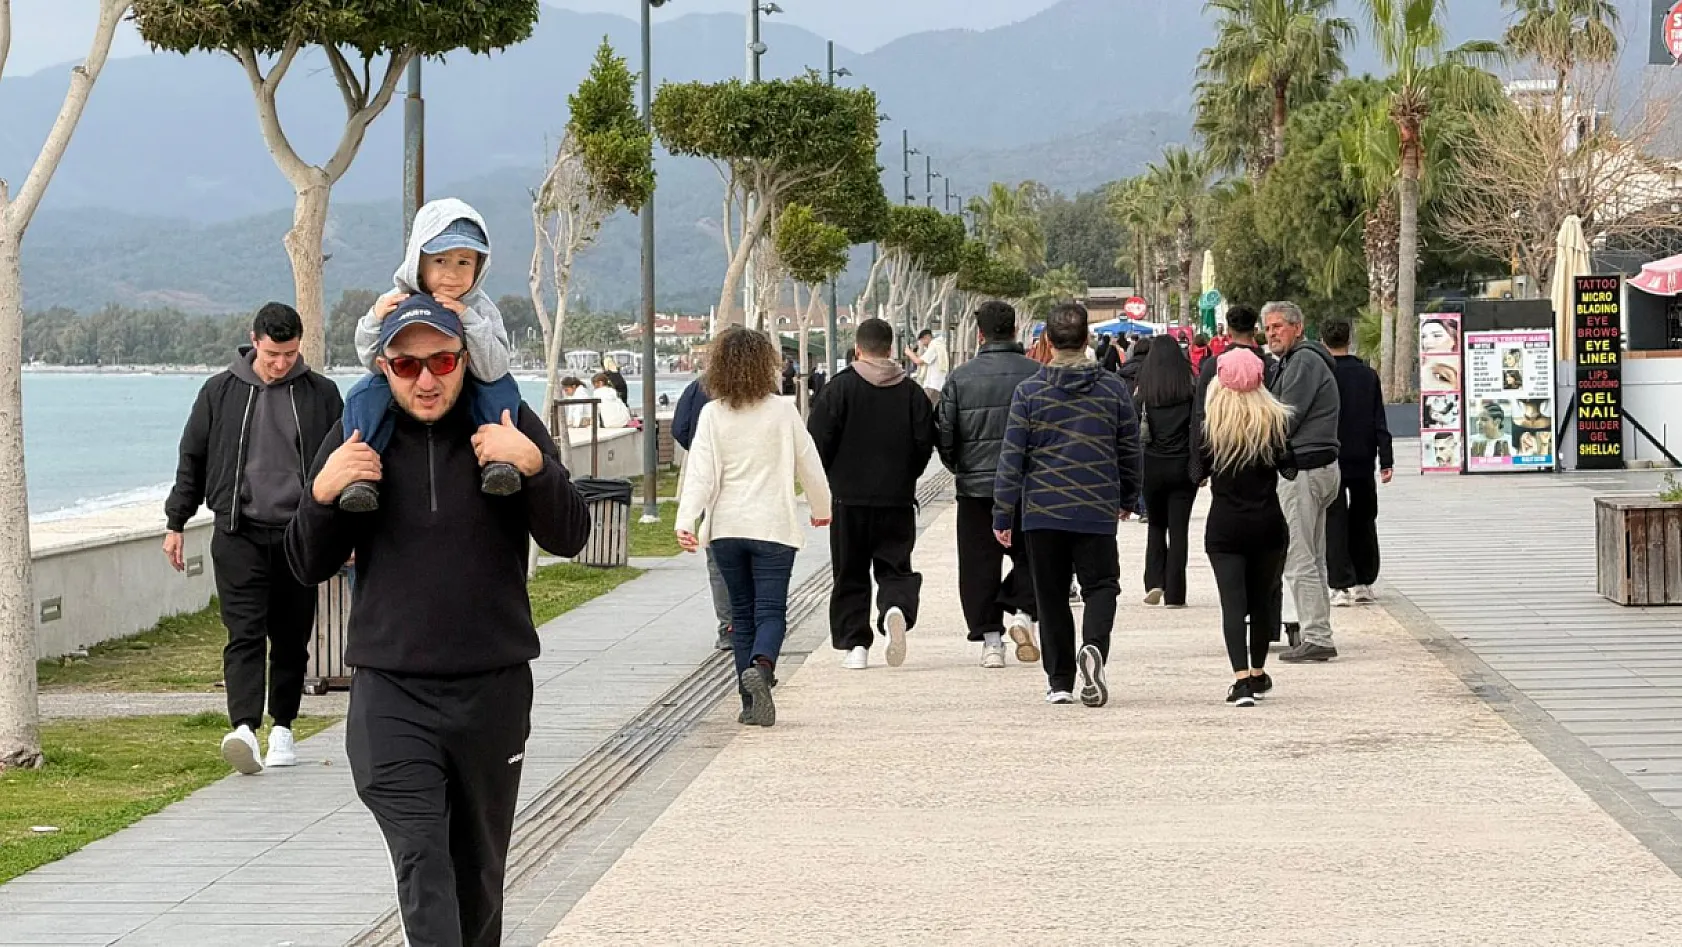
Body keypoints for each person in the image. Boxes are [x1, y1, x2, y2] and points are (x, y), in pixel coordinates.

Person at [285, 299, 590, 946]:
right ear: (383, 365)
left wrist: (534, 465)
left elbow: (570, 535)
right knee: (423, 861)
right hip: (391, 695)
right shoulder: (360, 434)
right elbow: (304, 562)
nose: (426, 380)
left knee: (478, 875)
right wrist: (321, 493)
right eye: (406, 365)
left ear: (465, 357)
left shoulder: (506, 423)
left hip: (493, 689)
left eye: (443, 361)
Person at [164, 302, 344, 775]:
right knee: (243, 633)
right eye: (272, 355)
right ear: (254, 341)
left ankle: (282, 726)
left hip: (298, 534)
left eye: (289, 354)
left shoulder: (321, 394)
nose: (280, 364)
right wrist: (176, 521)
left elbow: (346, 464)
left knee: (291, 637)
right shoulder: (219, 392)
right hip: (237, 532)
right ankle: (244, 728)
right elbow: (193, 459)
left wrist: (346, 531)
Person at [676, 328, 833, 726]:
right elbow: (809, 463)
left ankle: (749, 705)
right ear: (767, 366)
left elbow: (700, 473)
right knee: (770, 611)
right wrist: (821, 507)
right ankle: (762, 668)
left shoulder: (712, 414)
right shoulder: (783, 411)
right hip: (773, 528)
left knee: (741, 617)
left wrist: (686, 520)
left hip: (726, 530)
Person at [993, 303, 1142, 707]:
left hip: (1042, 510)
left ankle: (1060, 681)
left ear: (1047, 342)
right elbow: (1129, 449)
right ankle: (1093, 646)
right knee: (1102, 586)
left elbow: (1012, 458)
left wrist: (1003, 513)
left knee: (1051, 594)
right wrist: (1129, 496)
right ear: (1087, 340)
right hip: (1096, 506)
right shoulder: (1113, 389)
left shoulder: (1029, 392)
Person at [342, 198, 522, 512]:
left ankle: (499, 460)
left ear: (480, 266)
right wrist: (373, 319)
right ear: (418, 261)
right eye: (440, 261)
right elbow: (370, 360)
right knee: (363, 392)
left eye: (464, 262)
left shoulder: (482, 309)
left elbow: (494, 368)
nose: (452, 274)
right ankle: (360, 470)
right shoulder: (394, 301)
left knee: (502, 388)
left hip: (472, 381)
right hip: (401, 389)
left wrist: (469, 320)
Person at [809, 317, 937, 670]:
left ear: (858, 348)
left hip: (847, 499)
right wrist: (907, 474)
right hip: (896, 497)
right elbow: (925, 443)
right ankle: (895, 607)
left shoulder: (838, 389)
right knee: (895, 567)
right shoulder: (911, 393)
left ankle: (856, 646)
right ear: (892, 349)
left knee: (850, 571)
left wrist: (827, 485)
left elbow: (817, 443)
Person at [935, 301, 1043, 669]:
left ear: (979, 333)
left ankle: (991, 642)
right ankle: (1023, 613)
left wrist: (962, 469)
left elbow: (946, 437)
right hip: (1030, 488)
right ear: (1015, 329)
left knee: (978, 564)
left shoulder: (960, 379)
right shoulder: (1038, 374)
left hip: (976, 489)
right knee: (1036, 557)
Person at [1190, 348, 1289, 708]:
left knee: (1232, 605)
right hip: (1267, 523)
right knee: (1262, 603)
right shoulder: (1273, 423)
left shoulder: (1212, 429)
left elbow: (1196, 474)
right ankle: (1260, 671)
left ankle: (1241, 680)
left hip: (1225, 527)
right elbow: (1289, 467)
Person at [1262, 301, 1342, 664]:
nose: (1272, 333)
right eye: (1268, 328)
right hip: (1317, 467)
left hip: (1305, 470)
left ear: (1298, 327)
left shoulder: (1304, 362)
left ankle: (1316, 635)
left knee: (1299, 556)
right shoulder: (1298, 362)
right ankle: (1317, 629)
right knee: (1313, 555)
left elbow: (1284, 417)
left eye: (1278, 326)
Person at [1322, 320, 1393, 608]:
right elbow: (1379, 419)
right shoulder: (1367, 375)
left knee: (1334, 519)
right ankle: (1364, 580)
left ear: (1323, 340)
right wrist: (1386, 458)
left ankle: (1340, 584)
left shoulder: (1323, 374)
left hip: (1330, 456)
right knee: (1364, 517)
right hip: (1363, 456)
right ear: (1350, 339)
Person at [1134, 333, 1200, 608]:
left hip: (1151, 466)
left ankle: (1154, 581)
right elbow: (1198, 432)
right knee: (1179, 529)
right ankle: (1176, 592)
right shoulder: (1190, 392)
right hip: (1183, 467)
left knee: (1156, 525)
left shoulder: (1144, 395)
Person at [673, 376, 734, 652]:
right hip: (759, 492)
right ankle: (759, 623)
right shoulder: (763, 391)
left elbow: (679, 427)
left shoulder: (699, 387)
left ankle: (729, 626)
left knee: (719, 561)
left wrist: (697, 450)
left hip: (712, 487)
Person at [906, 328, 951, 402]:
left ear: (927, 337)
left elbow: (918, 361)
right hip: (937, 384)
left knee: (927, 407)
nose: (923, 344)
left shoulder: (934, 346)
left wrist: (909, 353)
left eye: (922, 341)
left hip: (932, 384)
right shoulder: (939, 346)